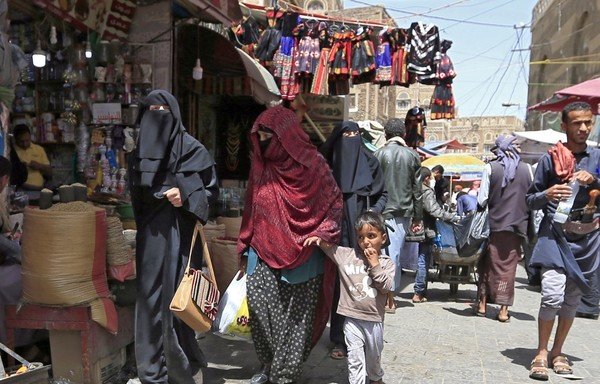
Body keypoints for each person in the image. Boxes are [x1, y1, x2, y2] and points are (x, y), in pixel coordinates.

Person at [237, 106, 342, 384]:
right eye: (259, 136)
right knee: (260, 312)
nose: (262, 142)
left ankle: (283, 374)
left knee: (295, 321)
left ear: (284, 136)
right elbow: (252, 206)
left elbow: (334, 201)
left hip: (305, 252)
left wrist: (322, 231)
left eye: (267, 136)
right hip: (261, 248)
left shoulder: (314, 164)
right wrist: (244, 244)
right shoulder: (261, 165)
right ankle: (270, 363)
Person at [129, 90, 219, 384]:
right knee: (149, 301)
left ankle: (183, 366)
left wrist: (186, 196)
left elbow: (210, 195)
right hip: (151, 238)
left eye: (162, 110)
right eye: (151, 110)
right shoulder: (139, 149)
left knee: (177, 301)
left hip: (181, 237)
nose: (157, 116)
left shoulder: (194, 151)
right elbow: (136, 197)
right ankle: (151, 371)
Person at [527, 102, 600, 381]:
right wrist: (547, 193)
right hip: (555, 236)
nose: (583, 128)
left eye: (588, 123)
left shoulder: (597, 157)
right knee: (552, 295)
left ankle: (558, 352)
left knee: (571, 300)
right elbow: (529, 200)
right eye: (577, 123)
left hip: (588, 238)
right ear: (564, 125)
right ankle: (541, 352)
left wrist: (594, 179)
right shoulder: (550, 159)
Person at [319, 121, 388, 360]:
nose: (351, 138)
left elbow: (383, 194)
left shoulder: (370, 162)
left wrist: (372, 216)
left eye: (355, 134)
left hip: (362, 234)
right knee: (340, 285)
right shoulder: (327, 165)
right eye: (345, 134)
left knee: (363, 283)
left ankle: (365, 333)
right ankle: (339, 338)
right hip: (337, 234)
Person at [304, 211, 394, 384]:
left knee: (374, 356)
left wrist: (375, 264)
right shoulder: (348, 256)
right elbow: (332, 250)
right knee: (355, 358)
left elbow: (386, 286)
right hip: (351, 319)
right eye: (361, 237)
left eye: (371, 236)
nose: (365, 241)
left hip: (374, 320)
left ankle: (375, 376)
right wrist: (319, 241)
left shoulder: (386, 263)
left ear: (382, 238)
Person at [476, 134, 531, 322]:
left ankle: (482, 304)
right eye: (517, 145)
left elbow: (482, 199)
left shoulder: (491, 168)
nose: (520, 149)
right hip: (517, 228)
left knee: (486, 264)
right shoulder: (527, 170)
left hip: (493, 226)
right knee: (509, 267)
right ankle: (503, 310)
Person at [374, 118, 423, 313]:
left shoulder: (377, 154)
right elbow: (417, 190)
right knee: (393, 254)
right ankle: (389, 297)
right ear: (403, 134)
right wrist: (418, 217)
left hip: (381, 210)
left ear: (386, 134)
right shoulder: (412, 156)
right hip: (402, 212)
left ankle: (387, 295)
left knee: (384, 253)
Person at [413, 167, 459, 303]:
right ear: (427, 178)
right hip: (426, 228)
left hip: (415, 227)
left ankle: (420, 289)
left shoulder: (413, 188)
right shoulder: (426, 191)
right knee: (423, 259)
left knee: (421, 259)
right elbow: (434, 210)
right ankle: (419, 292)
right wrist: (452, 217)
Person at [12, 124, 51, 190]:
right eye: (21, 141)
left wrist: (40, 166)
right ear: (15, 139)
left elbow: (50, 173)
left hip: (39, 190)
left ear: (30, 137)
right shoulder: (11, 151)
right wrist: (20, 168)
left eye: (27, 140)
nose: (25, 144)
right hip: (20, 190)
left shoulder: (39, 149)